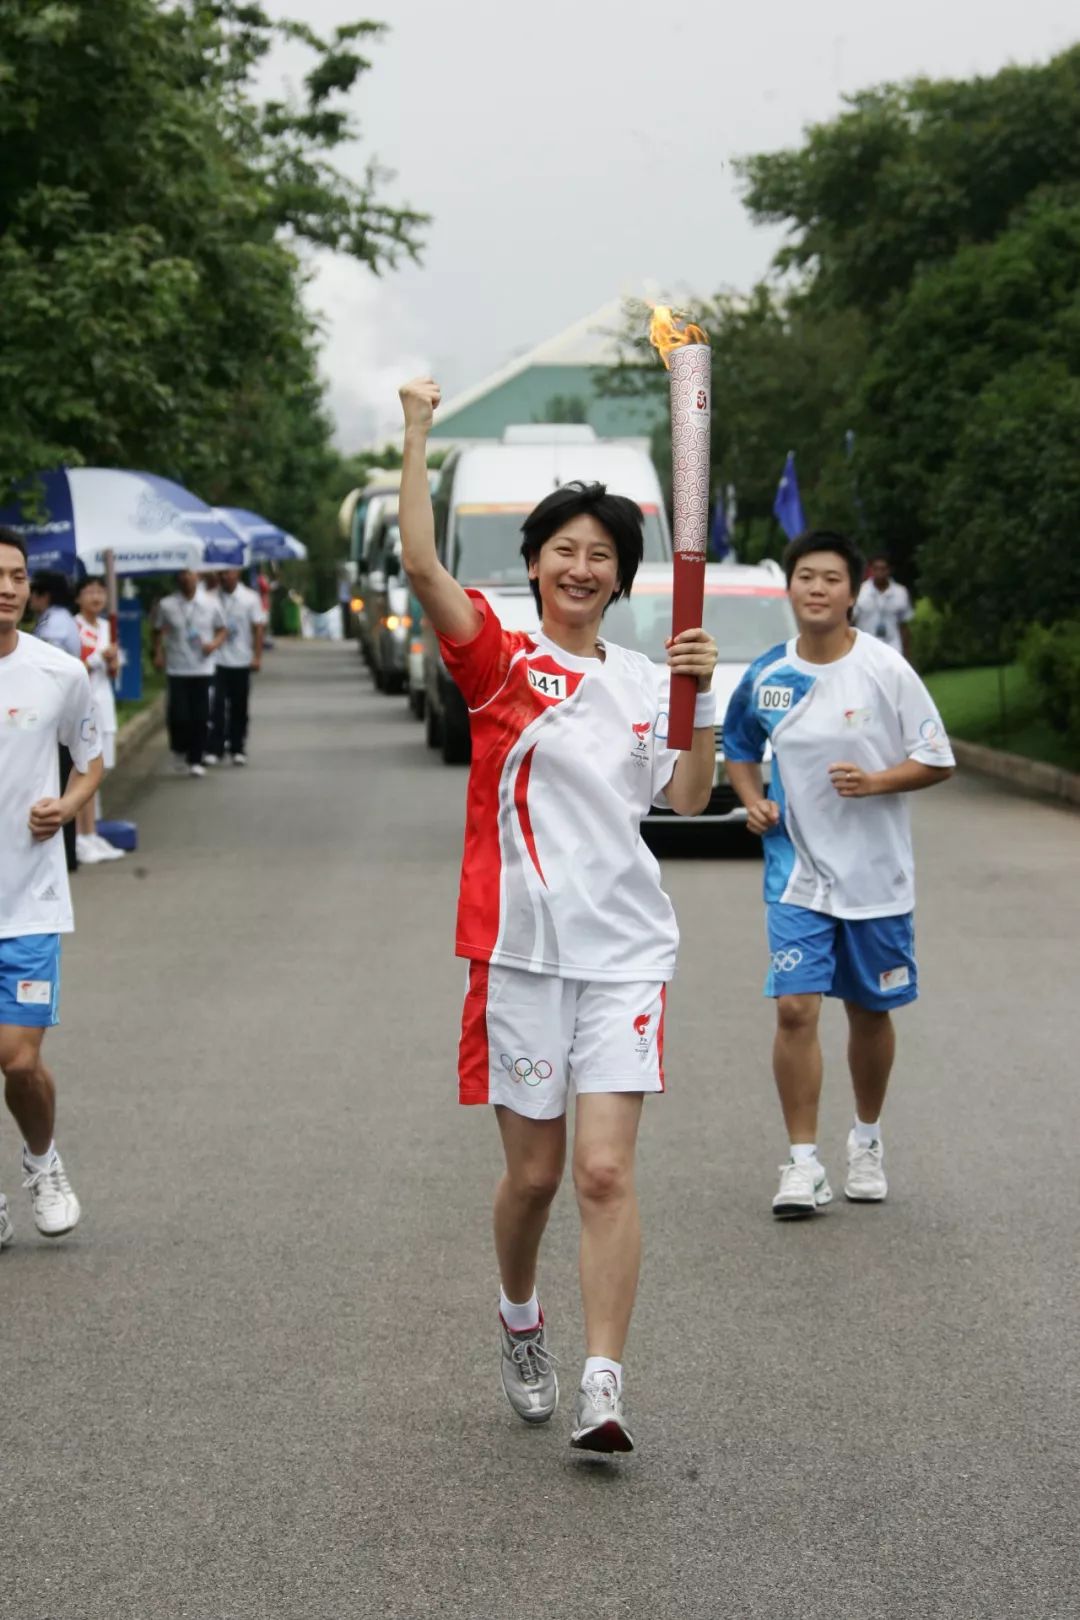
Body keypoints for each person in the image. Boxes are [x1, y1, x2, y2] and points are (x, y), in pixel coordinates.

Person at [398, 377, 718, 1454]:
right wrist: (414, 433)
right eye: (564, 551)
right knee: (533, 1178)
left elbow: (681, 800)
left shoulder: (643, 680)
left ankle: (604, 1380)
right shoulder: (496, 661)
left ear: (625, 578)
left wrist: (701, 704)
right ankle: (522, 1318)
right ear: (535, 562)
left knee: (603, 1171)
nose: (582, 569)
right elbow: (419, 566)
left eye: (602, 557)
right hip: (521, 956)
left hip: (626, 951)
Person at [723, 530, 954, 1219]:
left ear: (853, 593)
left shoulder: (885, 670)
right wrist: (753, 800)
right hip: (798, 874)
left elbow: (937, 759)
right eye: (805, 577)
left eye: (830, 579)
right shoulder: (768, 675)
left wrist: (879, 780)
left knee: (870, 1011)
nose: (816, 588)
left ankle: (867, 1140)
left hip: (876, 878)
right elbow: (740, 748)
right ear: (788, 588)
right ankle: (802, 1165)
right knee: (796, 1008)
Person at [0, 529, 103, 1248]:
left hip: (28, 902)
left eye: (15, 575)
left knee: (18, 1060)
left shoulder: (59, 672)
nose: (5, 587)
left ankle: (42, 1162)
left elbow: (89, 761)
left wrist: (67, 809)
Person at [30, 571, 83, 874]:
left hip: (55, 715)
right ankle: (69, 854)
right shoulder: (67, 619)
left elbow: (45, 669)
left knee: (57, 786)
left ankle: (63, 856)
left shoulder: (50, 624)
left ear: (44, 595)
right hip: (68, 712)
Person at [151, 570, 227, 776]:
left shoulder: (211, 602)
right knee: (179, 715)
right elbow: (157, 630)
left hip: (203, 667)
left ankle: (196, 758)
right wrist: (157, 653)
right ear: (178, 578)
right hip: (177, 667)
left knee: (201, 715)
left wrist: (214, 644)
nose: (187, 578)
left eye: (191, 574)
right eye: (183, 574)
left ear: (198, 577)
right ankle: (178, 748)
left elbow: (222, 629)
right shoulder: (167, 604)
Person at [74, 578, 124, 865]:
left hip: (105, 705)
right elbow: (72, 666)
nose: (96, 596)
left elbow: (114, 673)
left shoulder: (107, 627)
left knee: (101, 770)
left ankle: (91, 833)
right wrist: (96, 659)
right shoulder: (73, 627)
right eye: (90, 591)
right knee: (85, 771)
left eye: (100, 591)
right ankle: (80, 836)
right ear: (78, 597)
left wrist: (112, 662)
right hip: (83, 708)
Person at [205, 568, 266, 766]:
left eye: (228, 573)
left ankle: (238, 747)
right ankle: (216, 747)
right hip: (216, 660)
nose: (224, 577)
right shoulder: (211, 597)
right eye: (221, 573)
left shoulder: (250, 598)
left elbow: (258, 628)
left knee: (239, 706)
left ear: (237, 574)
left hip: (241, 660)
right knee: (217, 705)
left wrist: (257, 656)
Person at [853, 552, 914, 661]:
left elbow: (904, 625)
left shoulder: (900, 592)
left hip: (893, 648)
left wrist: (907, 654)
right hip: (865, 649)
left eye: (883, 569)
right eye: (876, 569)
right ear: (871, 570)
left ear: (889, 570)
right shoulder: (860, 592)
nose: (879, 573)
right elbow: (851, 622)